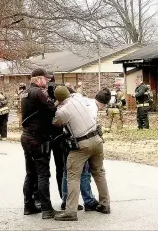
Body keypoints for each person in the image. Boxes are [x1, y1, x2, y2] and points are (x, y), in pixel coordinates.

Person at [53, 86, 111, 221]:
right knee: (99, 172)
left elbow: (56, 123)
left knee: (73, 176)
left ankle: (70, 211)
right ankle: (105, 204)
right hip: (97, 140)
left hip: (82, 144)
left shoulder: (62, 111)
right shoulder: (81, 98)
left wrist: (57, 106)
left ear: (58, 99)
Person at [20, 68, 57, 219]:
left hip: (26, 136)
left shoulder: (25, 93)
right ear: (37, 79)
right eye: (45, 79)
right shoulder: (39, 92)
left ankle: (28, 205)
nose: (47, 81)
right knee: (43, 174)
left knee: (30, 173)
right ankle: (47, 209)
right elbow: (52, 109)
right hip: (37, 138)